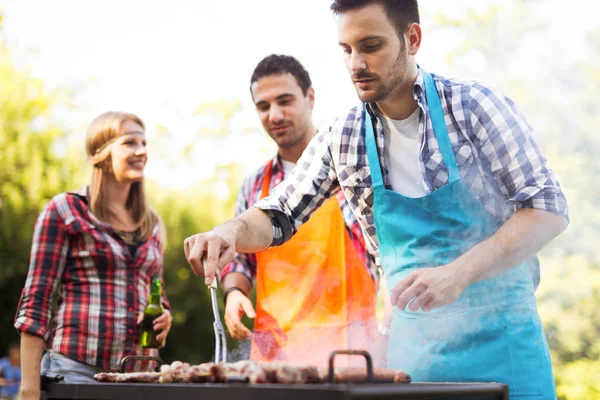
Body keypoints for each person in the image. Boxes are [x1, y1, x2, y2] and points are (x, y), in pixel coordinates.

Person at [184, 1, 568, 398]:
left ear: (412, 39)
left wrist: (458, 273)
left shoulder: (473, 108)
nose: (356, 64)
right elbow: (279, 211)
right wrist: (229, 232)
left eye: (370, 46)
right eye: (346, 50)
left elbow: (548, 209)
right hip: (414, 359)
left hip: (505, 351)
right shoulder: (343, 137)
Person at [220, 54, 381, 366]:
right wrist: (234, 293)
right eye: (263, 106)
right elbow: (240, 258)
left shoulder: (351, 168)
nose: (275, 114)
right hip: (275, 354)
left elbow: (388, 250)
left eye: (285, 100)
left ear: (310, 97)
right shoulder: (255, 185)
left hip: (349, 349)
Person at [15, 111, 173, 399]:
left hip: (139, 373)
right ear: (100, 153)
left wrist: (165, 315)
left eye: (144, 143)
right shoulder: (65, 210)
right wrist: (28, 389)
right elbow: (37, 298)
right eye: (129, 143)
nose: (141, 151)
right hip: (76, 370)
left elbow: (157, 295)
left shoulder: (152, 224)